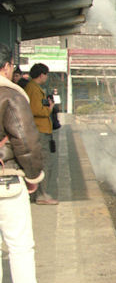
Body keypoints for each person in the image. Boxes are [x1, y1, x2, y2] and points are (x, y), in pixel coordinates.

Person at [0, 43, 62, 283]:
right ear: (8, 65)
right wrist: (34, 176)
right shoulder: (11, 94)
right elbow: (25, 140)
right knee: (19, 244)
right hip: (6, 178)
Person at [24, 63, 58, 205]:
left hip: (41, 130)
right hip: (40, 130)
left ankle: (40, 193)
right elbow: (36, 110)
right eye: (46, 74)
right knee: (44, 162)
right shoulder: (33, 89)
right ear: (42, 74)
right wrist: (49, 108)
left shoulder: (34, 88)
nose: (47, 77)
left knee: (42, 162)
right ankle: (42, 195)